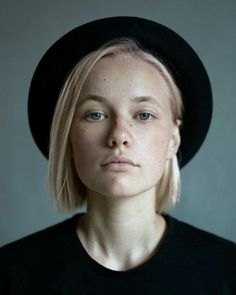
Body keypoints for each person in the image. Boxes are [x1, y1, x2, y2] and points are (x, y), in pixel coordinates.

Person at [0, 16, 235, 294]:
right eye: (95, 115)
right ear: (69, 137)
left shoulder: (227, 271)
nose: (119, 135)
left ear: (173, 139)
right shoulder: (11, 274)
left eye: (144, 115)